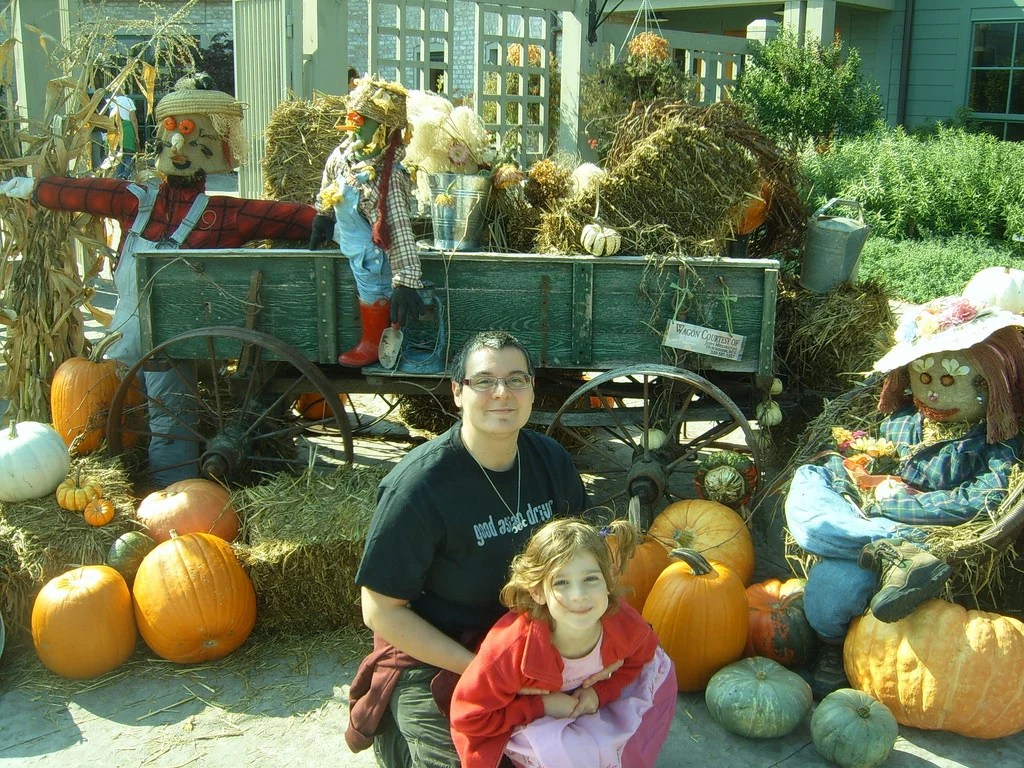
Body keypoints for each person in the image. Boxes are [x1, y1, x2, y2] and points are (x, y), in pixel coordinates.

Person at [0, 74, 319, 486]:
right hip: (134, 338)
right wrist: (35, 188)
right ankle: (152, 484)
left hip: (173, 342)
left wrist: (36, 189)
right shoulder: (170, 206)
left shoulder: (196, 211)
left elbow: (289, 219)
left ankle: (173, 491)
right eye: (174, 134)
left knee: (167, 412)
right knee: (142, 410)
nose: (180, 150)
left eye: (189, 137)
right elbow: (84, 191)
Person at [346, 330, 591, 768]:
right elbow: (380, 611)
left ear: (533, 389)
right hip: (442, 653)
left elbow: (584, 560)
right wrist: (484, 669)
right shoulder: (418, 488)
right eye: (484, 381)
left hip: (531, 641)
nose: (502, 393)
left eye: (517, 379)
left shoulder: (552, 461)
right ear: (458, 392)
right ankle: (399, 733)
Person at [785, 295, 1024, 697]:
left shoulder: (996, 444)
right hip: (861, 518)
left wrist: (900, 505)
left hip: (915, 526)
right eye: (924, 378)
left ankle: (838, 631)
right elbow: (854, 463)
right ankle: (891, 547)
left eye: (950, 382)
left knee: (832, 587)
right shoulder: (901, 421)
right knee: (810, 474)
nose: (932, 394)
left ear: (992, 385)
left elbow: (981, 500)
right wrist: (851, 478)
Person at [450, 517, 677, 768]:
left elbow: (640, 658)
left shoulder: (622, 622)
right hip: (535, 717)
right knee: (567, 752)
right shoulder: (510, 652)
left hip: (584, 700)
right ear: (538, 591)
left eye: (590, 579)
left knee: (660, 667)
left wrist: (600, 693)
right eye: (561, 583)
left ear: (608, 581)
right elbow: (469, 717)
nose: (578, 596)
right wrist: (540, 705)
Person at [309, 75, 425, 367]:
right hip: (350, 242)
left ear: (384, 130)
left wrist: (406, 279)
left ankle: (372, 343)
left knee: (373, 288)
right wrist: (322, 214)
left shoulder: (387, 178)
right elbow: (329, 180)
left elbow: (398, 230)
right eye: (353, 116)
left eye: (361, 119)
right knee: (365, 282)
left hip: (372, 253)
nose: (353, 124)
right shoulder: (345, 154)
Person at [108, 92, 140, 179]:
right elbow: (133, 118)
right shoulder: (128, 101)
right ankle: (125, 176)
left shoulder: (110, 101)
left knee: (119, 156)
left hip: (114, 131)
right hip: (127, 128)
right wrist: (137, 135)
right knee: (128, 154)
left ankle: (119, 177)